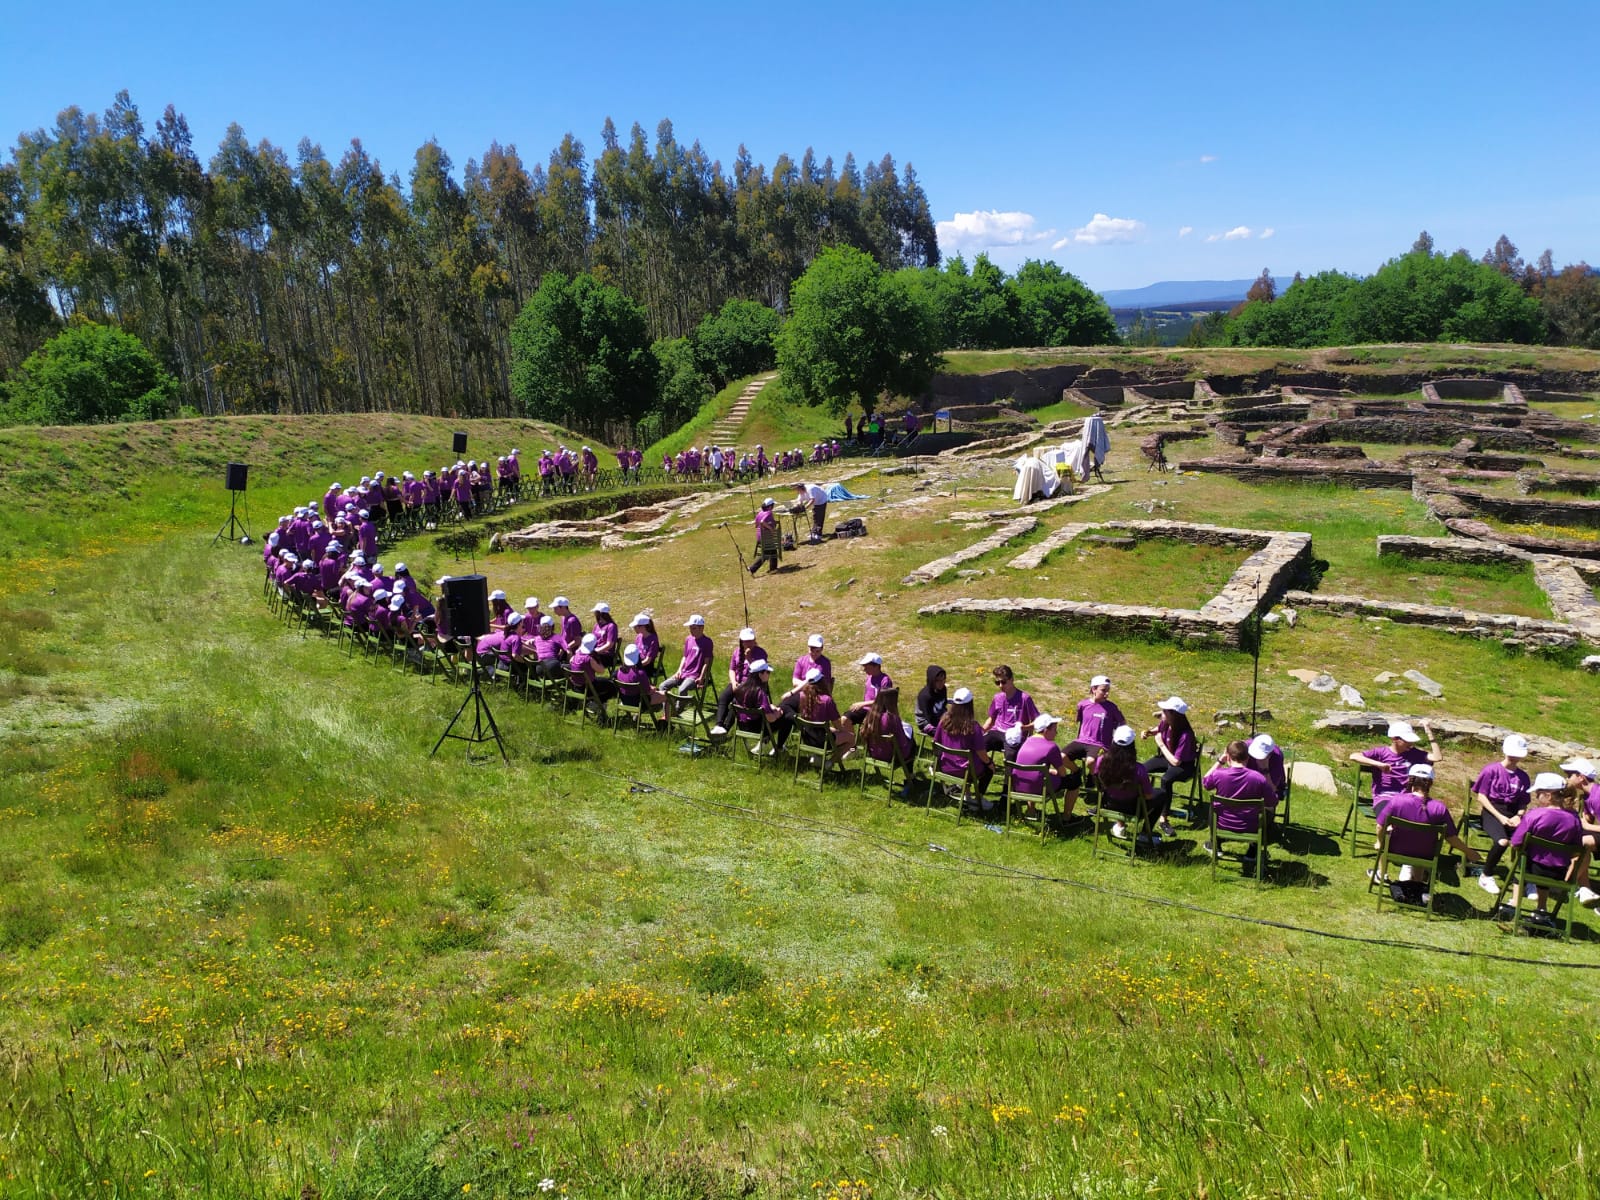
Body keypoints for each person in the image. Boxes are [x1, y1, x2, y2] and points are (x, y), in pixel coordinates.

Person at [1372, 763, 1479, 906]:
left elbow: (1380, 826)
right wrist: (1468, 852)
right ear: (1431, 783)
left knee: (1385, 844)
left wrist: (1380, 842)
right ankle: (1417, 888)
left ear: (1410, 780)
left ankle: (1383, 874)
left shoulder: (1397, 801)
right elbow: (1451, 838)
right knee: (1422, 843)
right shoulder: (1439, 808)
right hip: (1425, 854)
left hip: (1396, 850)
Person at [1503, 773, 1588, 926]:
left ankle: (1515, 902)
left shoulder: (1534, 815)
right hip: (1558, 872)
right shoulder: (1574, 819)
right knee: (1544, 864)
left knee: (1521, 862)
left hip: (1532, 869)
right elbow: (1577, 849)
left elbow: (1516, 842)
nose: (1536, 796)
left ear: (1548, 796)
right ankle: (1542, 908)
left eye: (1538, 793)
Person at [1471, 734, 1532, 898]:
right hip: (1492, 812)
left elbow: (1523, 802)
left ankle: (1528, 880)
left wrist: (1519, 815)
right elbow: (1481, 796)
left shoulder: (1523, 777)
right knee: (1502, 841)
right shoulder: (1491, 770)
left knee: (1529, 842)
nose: (1514, 758)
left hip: (1513, 814)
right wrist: (1500, 817)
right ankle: (1486, 875)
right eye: (1512, 754)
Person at [1202, 740, 1279, 871]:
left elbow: (1205, 782)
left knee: (1213, 805)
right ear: (1248, 758)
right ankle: (1253, 850)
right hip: (1250, 827)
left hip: (1222, 825)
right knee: (1268, 810)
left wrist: (1220, 762)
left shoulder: (1218, 775)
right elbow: (1273, 801)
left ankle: (1216, 844)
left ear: (1228, 756)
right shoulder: (1258, 778)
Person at [1062, 675, 1126, 817]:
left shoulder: (1111, 707)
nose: (1107, 693)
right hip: (1082, 740)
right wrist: (1078, 738)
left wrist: (1117, 740)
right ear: (1094, 689)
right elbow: (1080, 722)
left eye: (1108, 690)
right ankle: (1077, 771)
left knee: (1091, 761)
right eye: (1104, 690)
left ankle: (1092, 777)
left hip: (1100, 743)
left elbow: (1123, 723)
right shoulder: (1083, 705)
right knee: (1061, 756)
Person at [1143, 697, 1198, 838]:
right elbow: (1157, 729)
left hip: (1184, 766)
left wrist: (1161, 744)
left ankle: (1163, 818)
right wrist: (1148, 732)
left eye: (1164, 711)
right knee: (1141, 769)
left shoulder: (1186, 735)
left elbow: (1176, 762)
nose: (1161, 713)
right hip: (1167, 758)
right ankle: (1143, 802)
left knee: (1166, 780)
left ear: (1174, 714)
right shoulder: (1166, 723)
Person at [932, 687, 992, 810]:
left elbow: (936, 743)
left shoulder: (944, 721)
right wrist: (990, 763)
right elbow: (981, 752)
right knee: (989, 768)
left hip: (946, 767)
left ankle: (967, 795)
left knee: (970, 762)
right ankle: (978, 799)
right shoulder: (973, 727)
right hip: (966, 771)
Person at [1350, 720, 1440, 799]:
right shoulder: (1381, 752)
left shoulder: (1414, 753)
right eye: (1407, 740)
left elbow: (1437, 757)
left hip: (1406, 797)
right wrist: (1378, 764)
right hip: (1385, 796)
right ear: (1394, 739)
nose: (1411, 743)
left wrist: (1429, 732)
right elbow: (1354, 756)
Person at [1096, 726, 1156, 842]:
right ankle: (1144, 834)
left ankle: (1120, 825)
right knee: (1161, 795)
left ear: (1113, 742)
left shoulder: (1101, 761)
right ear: (1132, 746)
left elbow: (1098, 783)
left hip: (1108, 804)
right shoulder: (1139, 769)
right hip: (1132, 809)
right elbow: (1149, 796)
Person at [784, 667, 854, 764]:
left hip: (808, 738)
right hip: (822, 741)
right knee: (851, 738)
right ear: (821, 682)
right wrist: (843, 732)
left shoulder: (802, 696)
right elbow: (837, 724)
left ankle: (817, 757)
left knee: (830, 730)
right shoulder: (827, 700)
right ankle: (830, 763)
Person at [711, 627, 769, 735]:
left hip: (752, 684)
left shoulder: (761, 653)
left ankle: (726, 728)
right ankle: (719, 724)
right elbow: (732, 669)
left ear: (754, 640)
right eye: (745, 641)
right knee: (724, 697)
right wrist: (733, 682)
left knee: (736, 701)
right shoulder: (737, 652)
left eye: (750, 640)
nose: (748, 643)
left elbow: (760, 671)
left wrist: (749, 659)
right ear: (741, 641)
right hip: (737, 682)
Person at [861, 685, 915, 795]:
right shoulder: (891, 718)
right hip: (892, 757)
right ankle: (910, 777)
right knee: (912, 744)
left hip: (874, 755)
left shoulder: (870, 716)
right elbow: (901, 743)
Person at [1012, 712, 1068, 816]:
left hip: (1018, 785)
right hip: (1037, 787)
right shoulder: (1052, 747)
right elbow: (1063, 773)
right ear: (1046, 730)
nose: (1057, 733)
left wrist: (1048, 771)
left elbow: (1031, 765)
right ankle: (1067, 816)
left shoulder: (1027, 741)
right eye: (1055, 730)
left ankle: (1031, 811)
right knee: (1073, 782)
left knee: (1036, 776)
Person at [729, 659, 791, 749]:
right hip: (758, 729)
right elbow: (770, 719)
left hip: (743, 726)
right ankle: (779, 747)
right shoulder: (760, 692)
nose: (769, 674)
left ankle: (762, 745)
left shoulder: (741, 688)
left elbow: (752, 706)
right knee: (787, 717)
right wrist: (778, 714)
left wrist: (770, 707)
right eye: (767, 672)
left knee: (774, 710)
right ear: (760, 674)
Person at [983, 665, 1039, 759]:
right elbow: (991, 719)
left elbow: (1037, 721)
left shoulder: (1025, 698)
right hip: (997, 731)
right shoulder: (997, 698)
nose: (1001, 685)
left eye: (1003, 682)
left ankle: (1010, 773)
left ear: (1012, 679)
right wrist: (980, 732)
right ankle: (981, 769)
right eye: (997, 682)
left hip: (1014, 735)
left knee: (1011, 755)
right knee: (978, 745)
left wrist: (1024, 728)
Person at [662, 614, 714, 699]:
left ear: (701, 628)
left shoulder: (707, 642)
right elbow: (685, 657)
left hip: (694, 675)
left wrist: (701, 677)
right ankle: (667, 709)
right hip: (683, 672)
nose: (691, 630)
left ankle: (678, 709)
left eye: (694, 628)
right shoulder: (688, 639)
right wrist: (679, 671)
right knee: (663, 686)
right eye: (690, 628)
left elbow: (706, 663)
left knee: (682, 689)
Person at [845, 653, 891, 725]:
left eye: (867, 667)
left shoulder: (885, 680)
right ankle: (850, 736)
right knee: (845, 719)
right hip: (866, 710)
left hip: (878, 712)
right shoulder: (869, 678)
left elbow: (882, 701)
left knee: (868, 724)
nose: (864, 670)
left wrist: (862, 704)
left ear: (875, 666)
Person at [915, 665, 949, 738]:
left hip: (940, 716)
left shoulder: (943, 689)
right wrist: (944, 725)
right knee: (947, 734)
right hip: (926, 722)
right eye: (938, 680)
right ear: (932, 680)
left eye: (943, 679)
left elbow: (944, 705)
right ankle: (940, 748)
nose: (941, 683)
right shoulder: (925, 696)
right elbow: (930, 718)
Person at [750, 498, 781, 575]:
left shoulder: (760, 513)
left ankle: (773, 568)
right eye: (773, 505)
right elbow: (762, 522)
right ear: (770, 506)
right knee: (766, 553)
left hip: (760, 537)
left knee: (773, 550)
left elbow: (756, 524)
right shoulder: (769, 513)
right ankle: (752, 568)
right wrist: (771, 529)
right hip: (766, 537)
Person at [631, 613, 663, 678]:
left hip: (647, 667)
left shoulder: (653, 640)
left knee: (631, 675)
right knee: (618, 673)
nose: (634, 628)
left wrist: (636, 666)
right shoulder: (638, 637)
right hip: (637, 662)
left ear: (642, 627)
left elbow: (647, 661)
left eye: (635, 626)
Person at [590, 602, 619, 668]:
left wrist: (597, 651)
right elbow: (592, 640)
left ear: (600, 613)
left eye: (595, 612)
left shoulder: (611, 626)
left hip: (606, 655)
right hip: (596, 653)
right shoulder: (597, 625)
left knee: (588, 660)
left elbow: (609, 645)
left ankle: (588, 677)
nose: (594, 614)